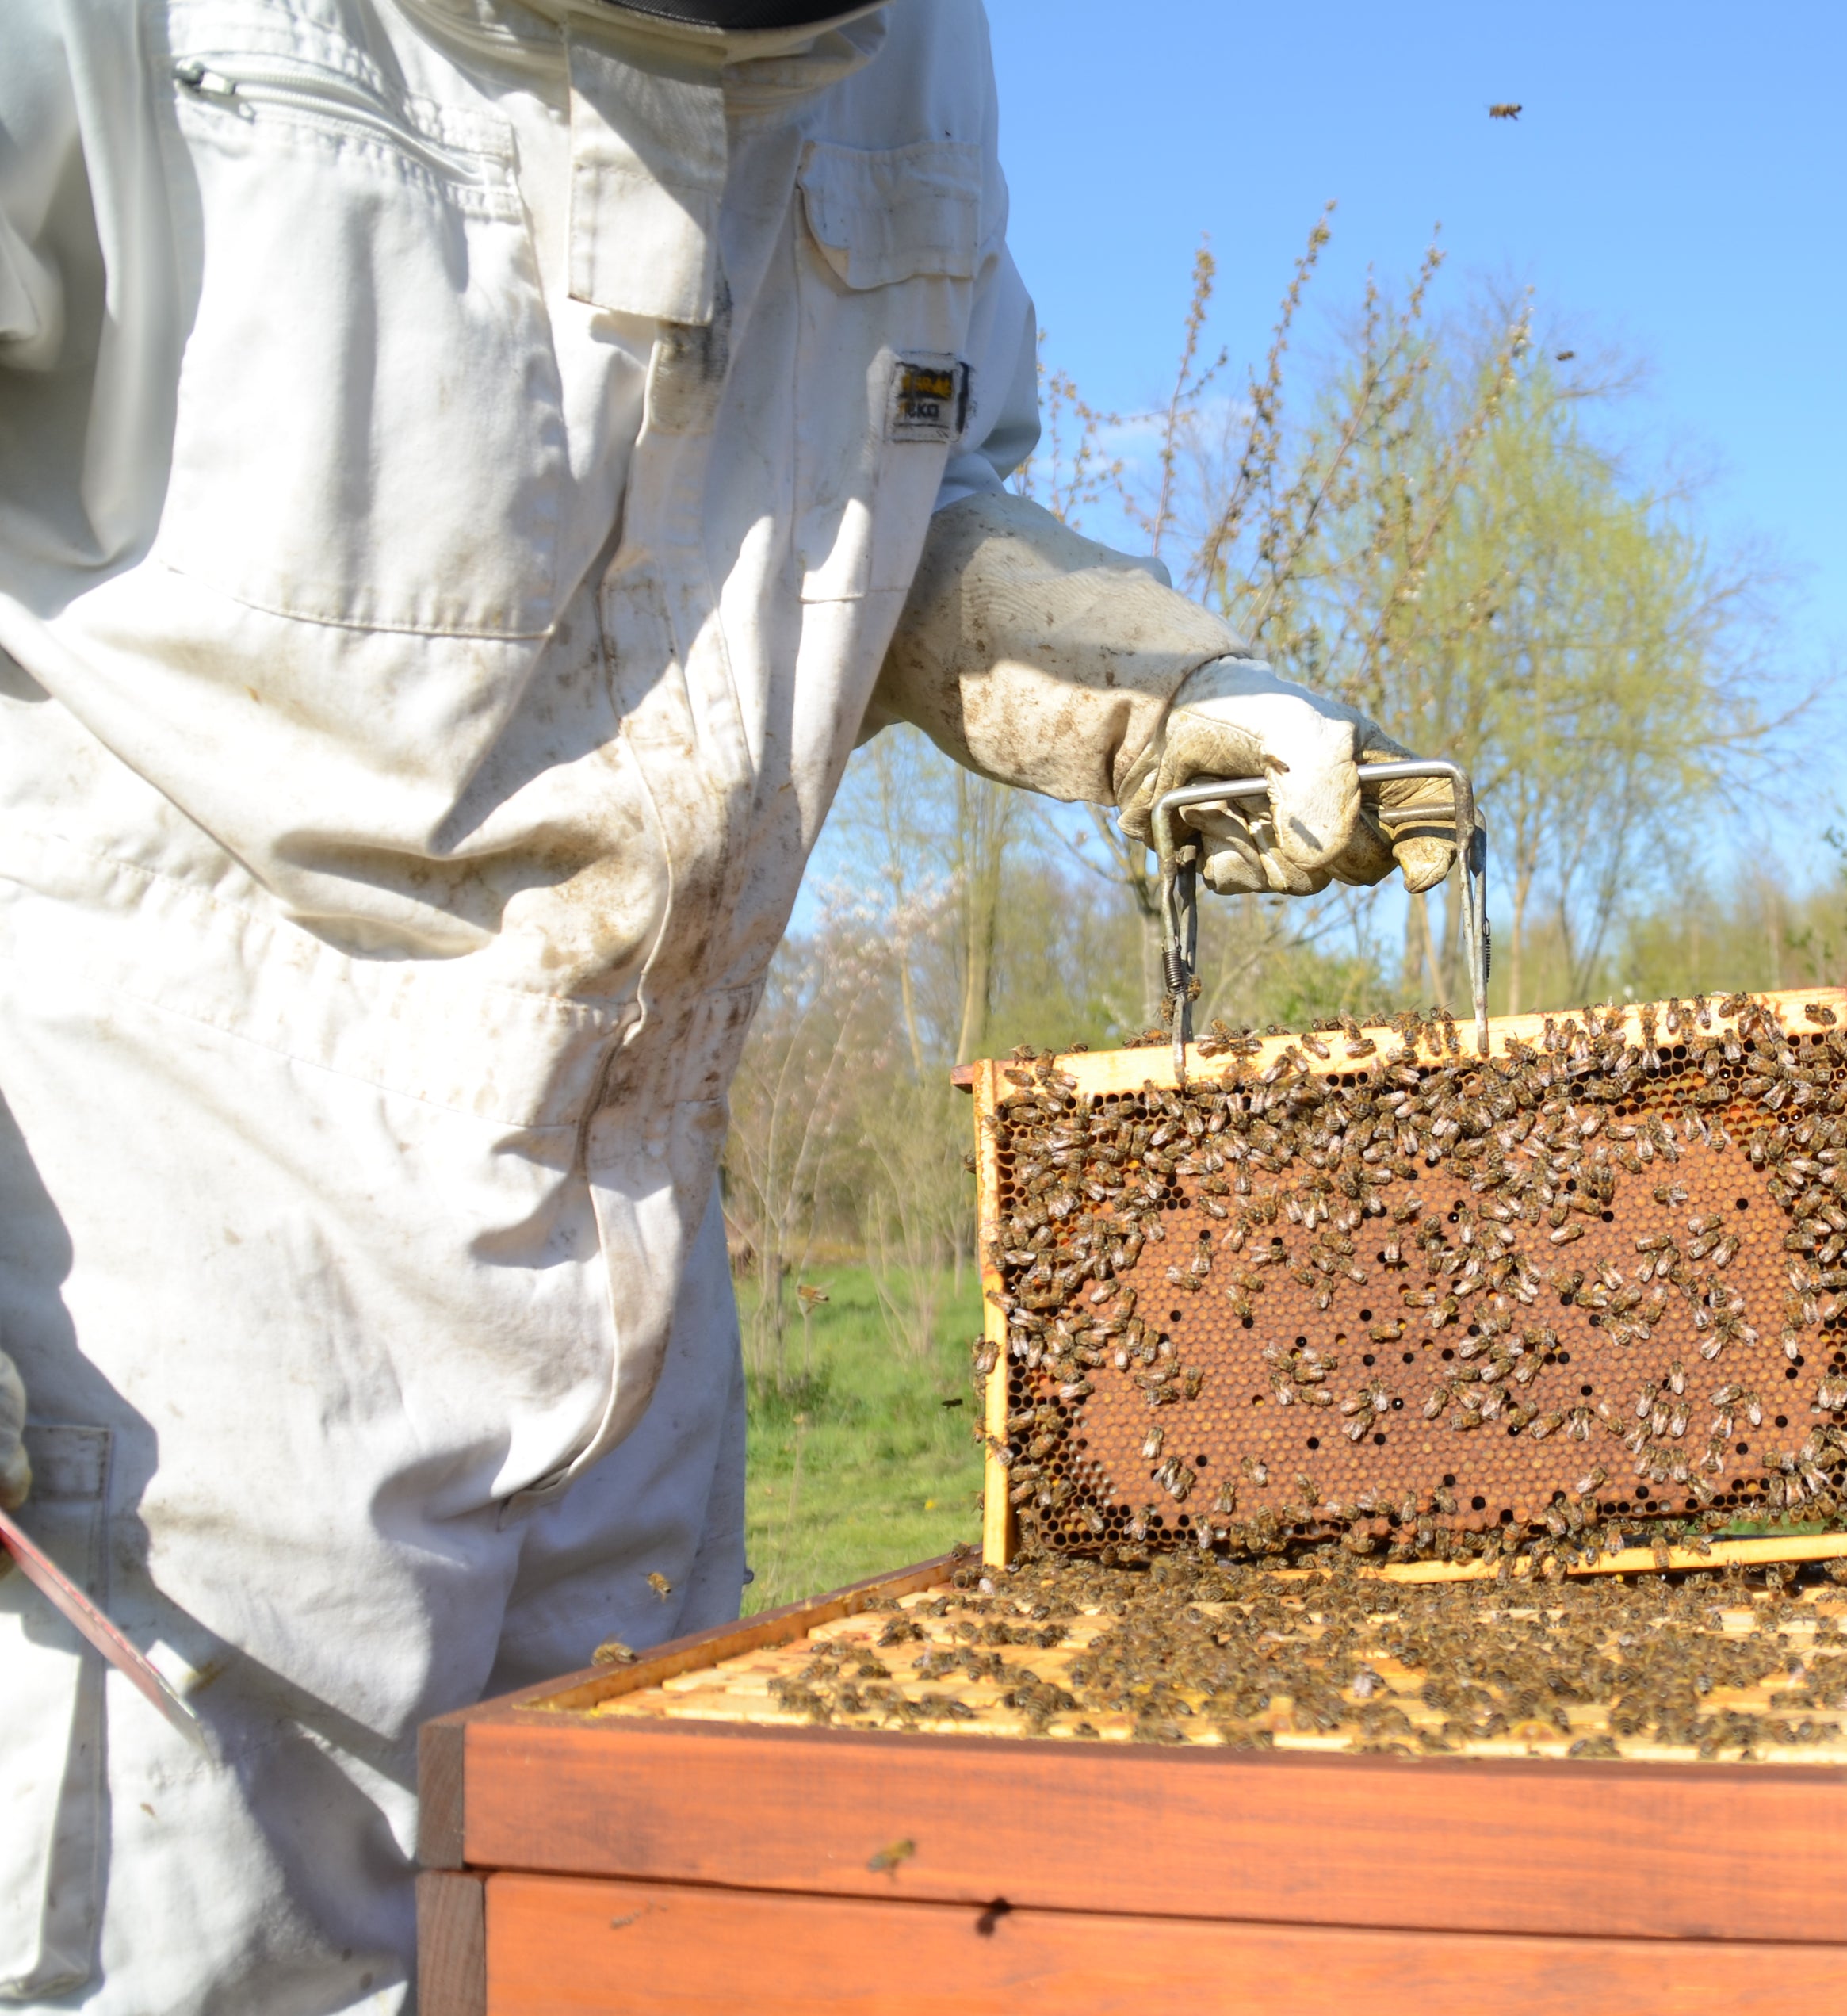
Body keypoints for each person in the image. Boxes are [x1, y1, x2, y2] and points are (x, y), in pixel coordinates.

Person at [0, 0, 1453, 2005]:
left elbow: (889, 508)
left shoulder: (916, 54)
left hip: (638, 1292)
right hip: (148, 1319)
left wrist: (1159, 691)